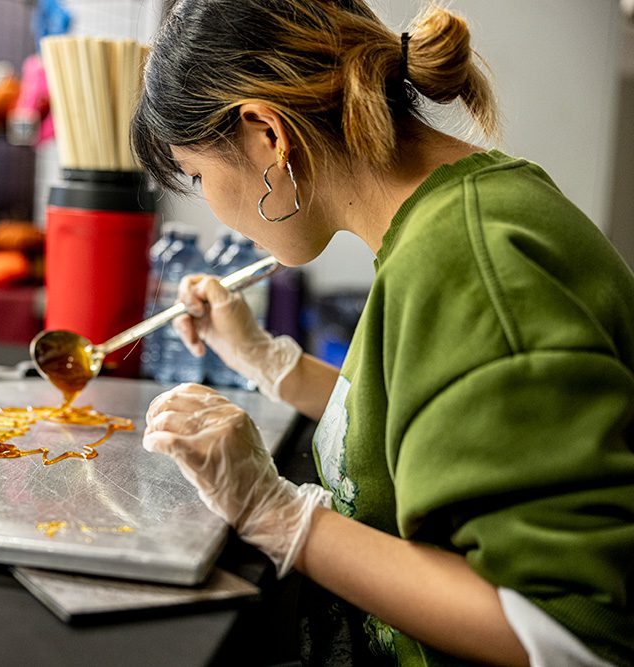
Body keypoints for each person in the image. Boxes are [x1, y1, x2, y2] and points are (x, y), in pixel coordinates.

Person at [131, 1, 634, 665]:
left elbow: (569, 630)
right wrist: (265, 359)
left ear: (265, 135)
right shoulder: (449, 214)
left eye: (198, 175)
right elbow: (434, 420)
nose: (211, 203)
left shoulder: (468, 261)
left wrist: (278, 517)